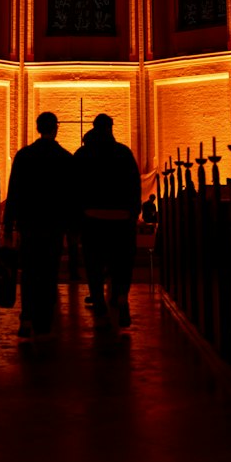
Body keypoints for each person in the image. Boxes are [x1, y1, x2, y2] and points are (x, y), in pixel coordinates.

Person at [3, 112, 73, 340]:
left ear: (38, 128)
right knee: (49, 272)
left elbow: (13, 191)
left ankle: (26, 317)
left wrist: (8, 224)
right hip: (54, 225)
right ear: (56, 129)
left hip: (29, 224)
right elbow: (70, 195)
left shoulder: (24, 156)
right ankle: (44, 321)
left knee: (30, 272)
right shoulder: (64, 158)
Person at [74, 113, 141, 330]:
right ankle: (121, 297)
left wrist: (77, 215)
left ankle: (99, 300)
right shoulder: (123, 153)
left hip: (92, 217)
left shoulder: (83, 154)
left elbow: (75, 187)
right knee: (122, 262)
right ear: (111, 128)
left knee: (94, 262)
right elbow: (134, 185)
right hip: (121, 218)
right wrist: (134, 213)